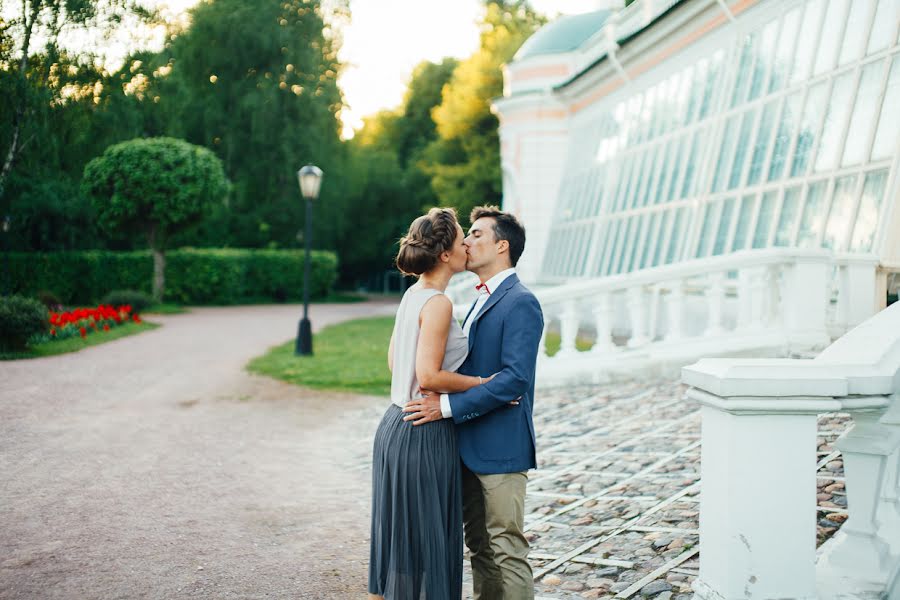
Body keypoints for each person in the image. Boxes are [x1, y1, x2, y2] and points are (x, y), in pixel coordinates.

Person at [404, 206, 543, 600]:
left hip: (501, 448)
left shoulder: (521, 302)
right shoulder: (478, 299)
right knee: (480, 548)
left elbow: (515, 380)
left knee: (507, 549)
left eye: (477, 235)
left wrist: (445, 407)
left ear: (502, 246)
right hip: (467, 446)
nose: (466, 241)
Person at [369, 207, 496, 600]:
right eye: (462, 241)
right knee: (426, 537)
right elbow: (428, 377)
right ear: (445, 255)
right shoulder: (438, 303)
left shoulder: (413, 294)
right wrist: (482, 382)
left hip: (395, 424)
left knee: (402, 539)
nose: (467, 247)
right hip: (423, 430)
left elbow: (395, 362)